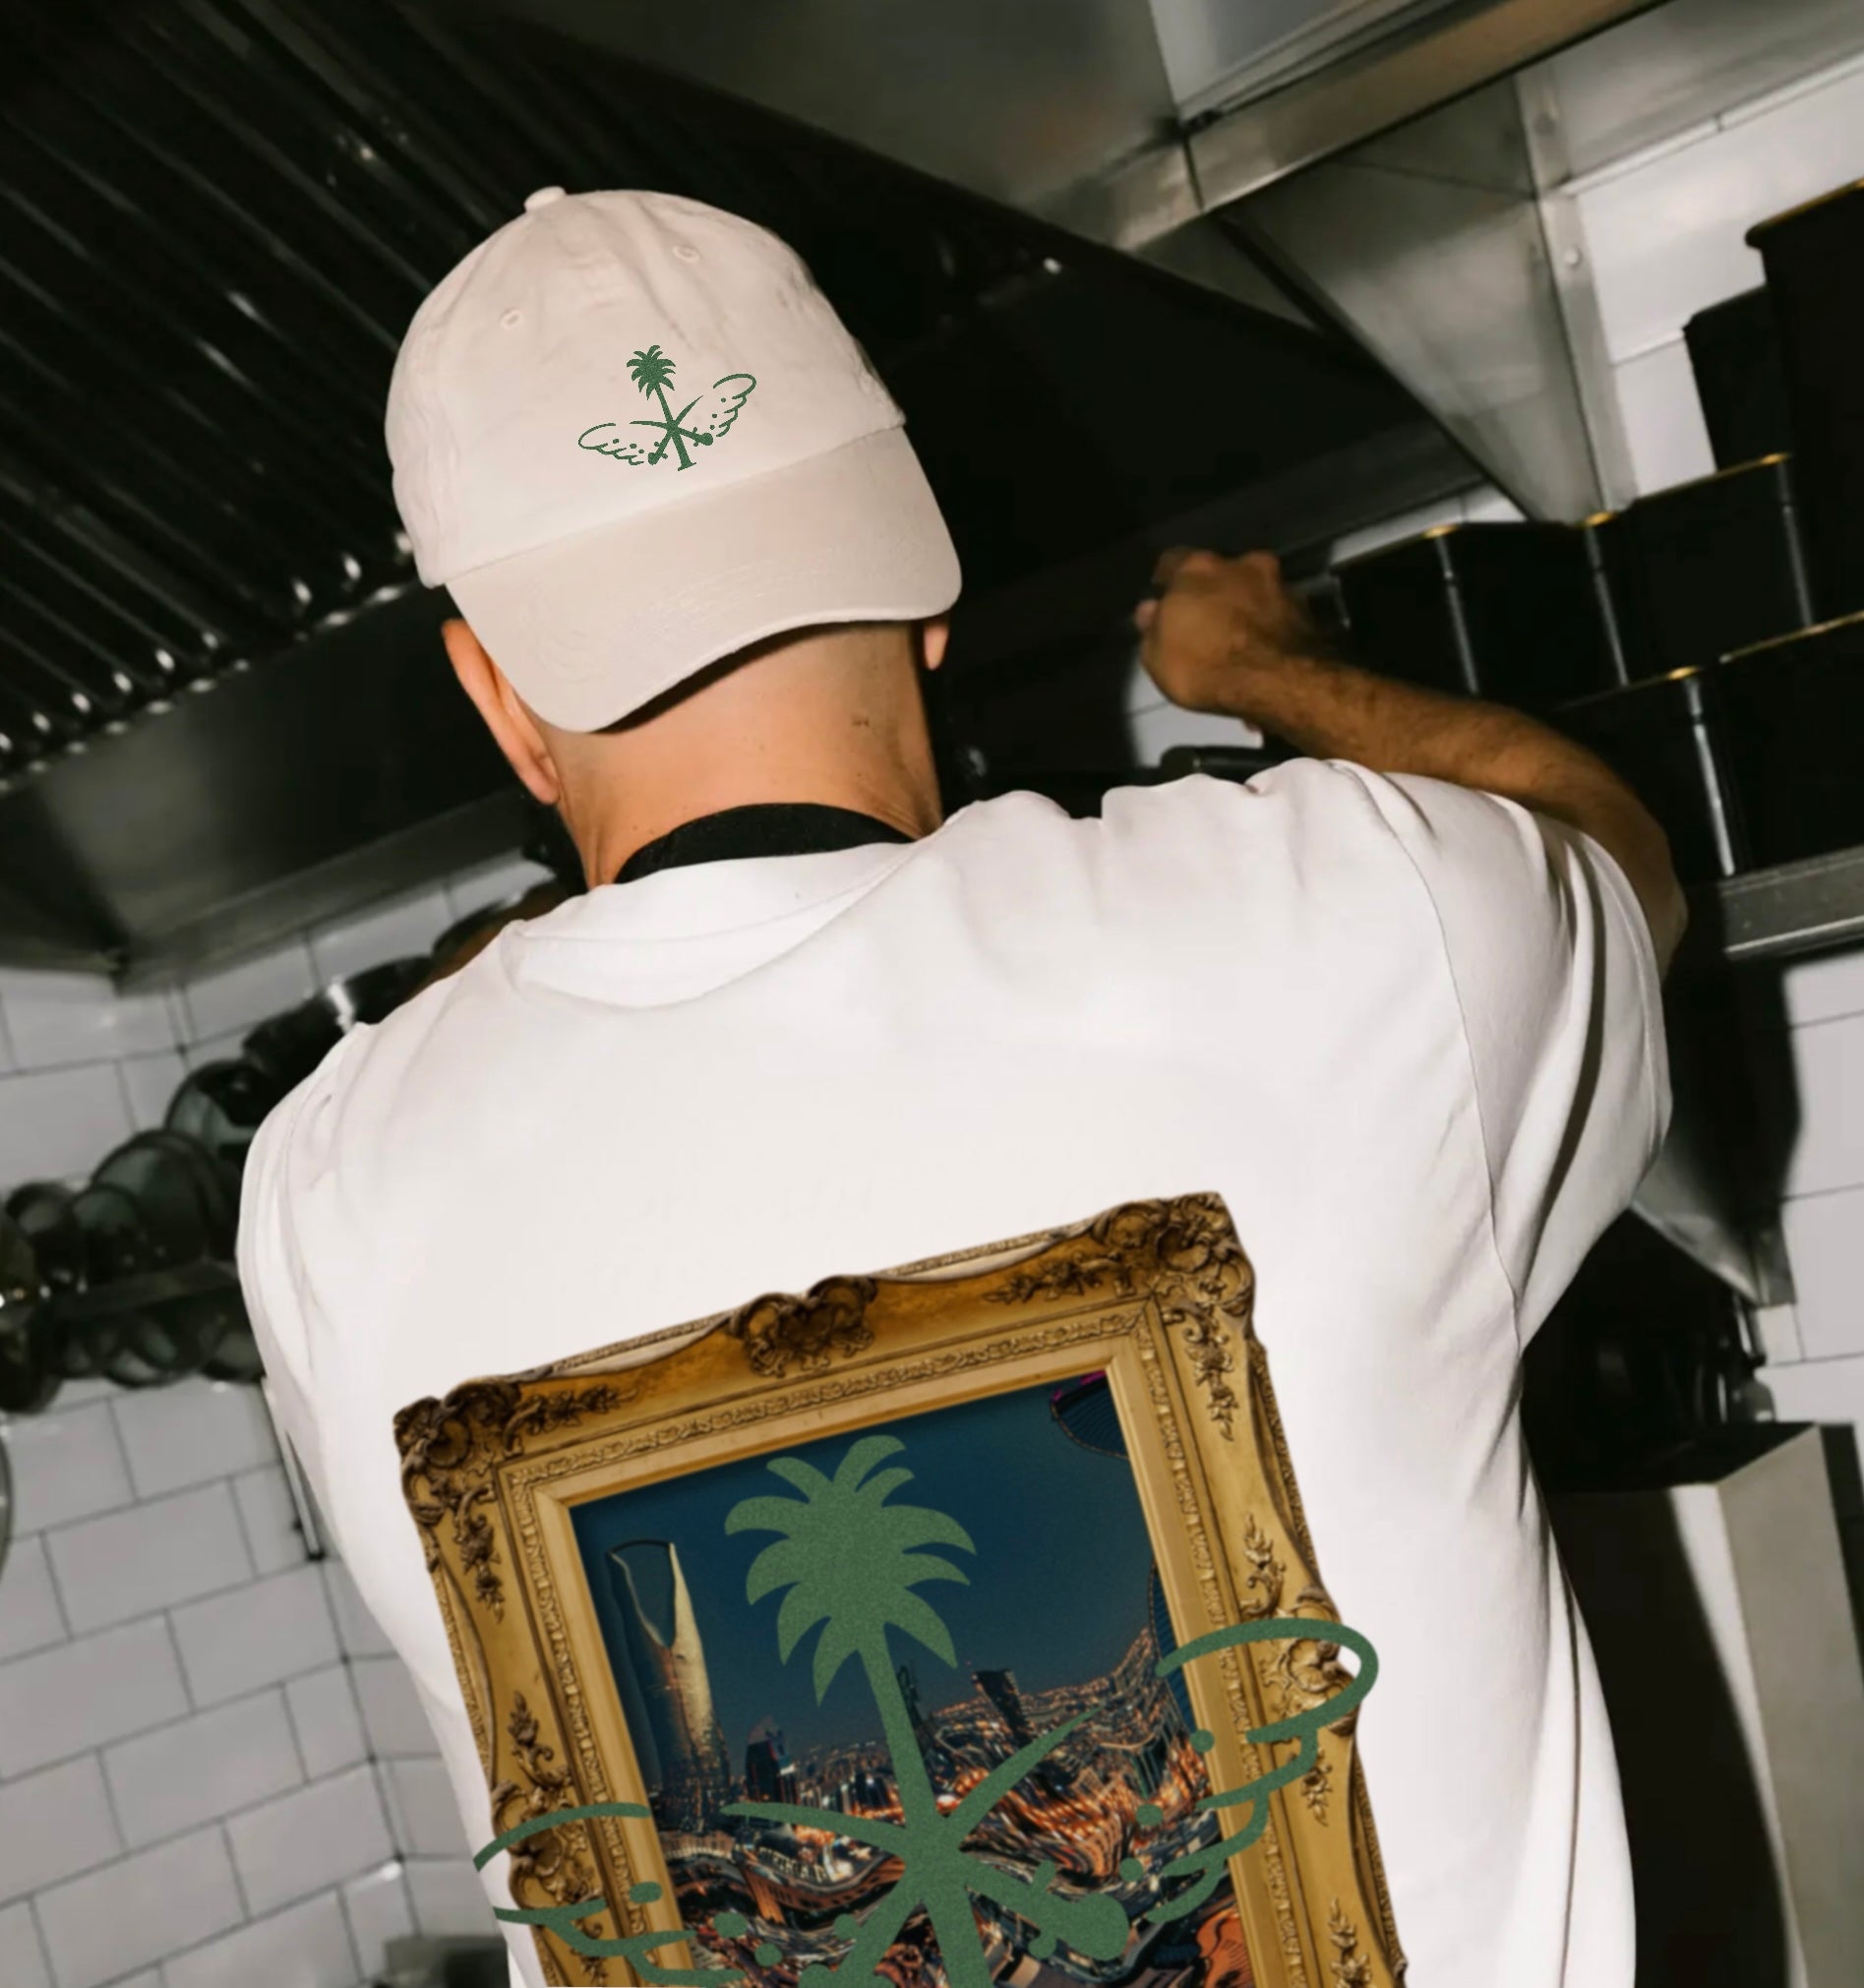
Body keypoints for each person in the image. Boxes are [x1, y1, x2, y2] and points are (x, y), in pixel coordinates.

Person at [238, 186, 1683, 1988]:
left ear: (496, 698)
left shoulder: (328, 1194)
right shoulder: (1344, 920)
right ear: (927, 582)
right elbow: (1616, 851)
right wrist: (1259, 666)